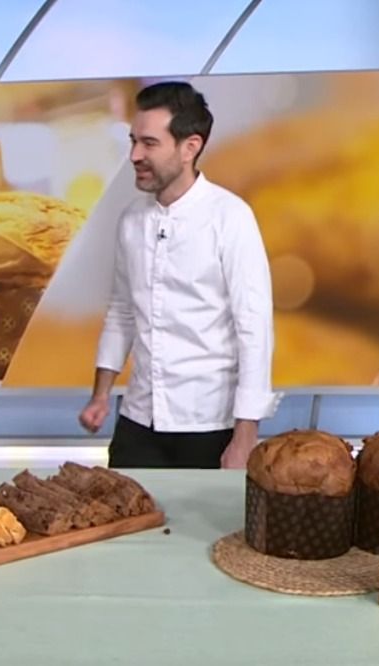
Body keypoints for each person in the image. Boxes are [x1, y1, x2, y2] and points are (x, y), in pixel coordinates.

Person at [78, 81, 276, 469]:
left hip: (209, 424)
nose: (134, 155)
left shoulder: (230, 217)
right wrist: (101, 395)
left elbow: (254, 328)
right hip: (138, 418)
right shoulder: (131, 221)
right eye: (133, 141)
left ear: (190, 147)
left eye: (149, 144)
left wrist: (245, 436)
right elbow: (122, 311)